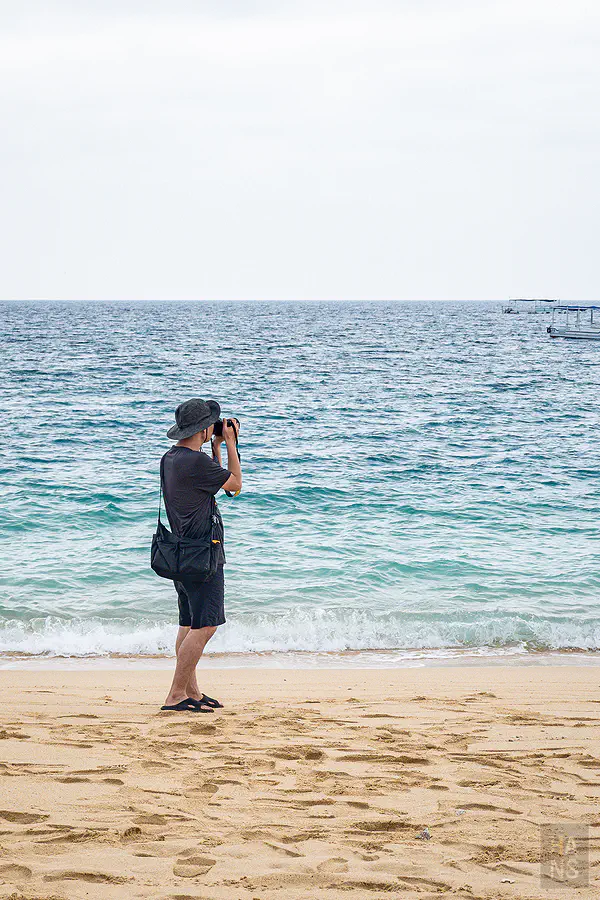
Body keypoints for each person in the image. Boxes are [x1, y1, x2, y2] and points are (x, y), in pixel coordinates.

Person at [160, 398, 242, 712]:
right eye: (212, 425)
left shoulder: (172, 457)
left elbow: (211, 482)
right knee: (206, 626)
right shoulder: (194, 462)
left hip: (181, 551)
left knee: (189, 623)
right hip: (203, 554)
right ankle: (176, 694)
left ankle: (190, 690)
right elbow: (234, 485)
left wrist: (217, 448)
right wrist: (231, 444)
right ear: (203, 429)